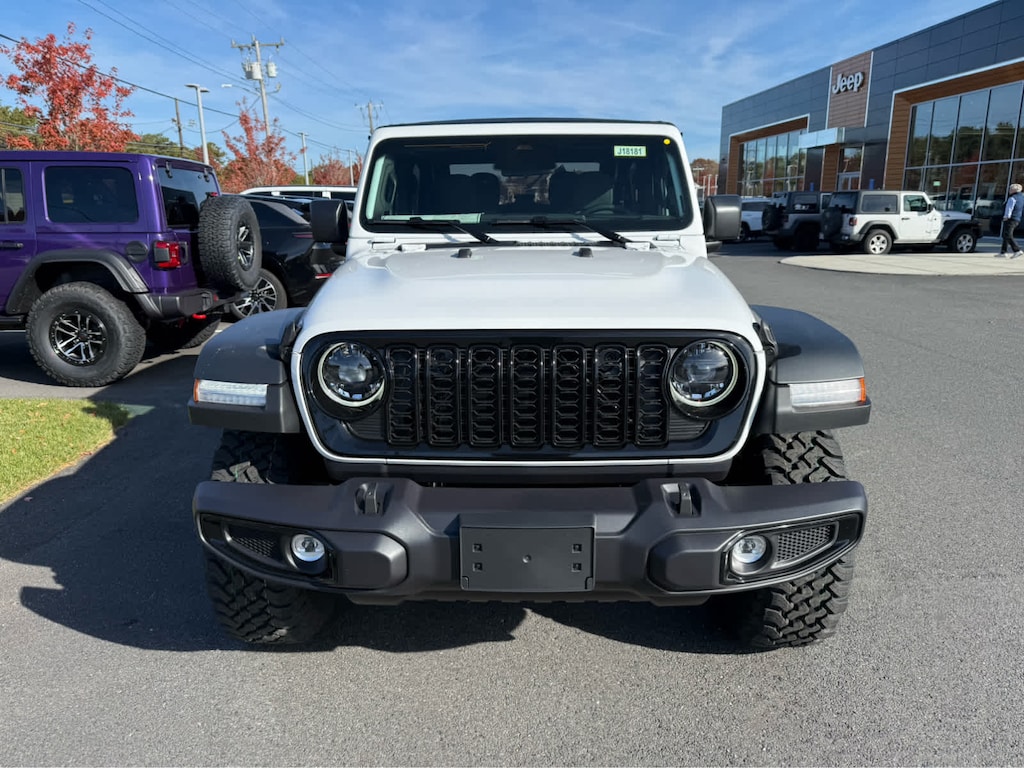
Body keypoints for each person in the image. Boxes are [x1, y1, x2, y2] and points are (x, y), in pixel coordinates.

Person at [998, 182, 1023, 259]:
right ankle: (1003, 252)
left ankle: (1017, 250)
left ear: (1013, 190)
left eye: (1010, 189)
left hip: (1011, 218)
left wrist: (1006, 217)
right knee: (1005, 235)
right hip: (1017, 218)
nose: (1009, 190)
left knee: (1008, 235)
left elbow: (1009, 208)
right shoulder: (1021, 198)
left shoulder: (1012, 198)